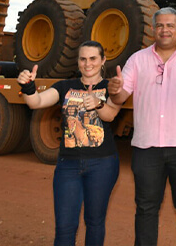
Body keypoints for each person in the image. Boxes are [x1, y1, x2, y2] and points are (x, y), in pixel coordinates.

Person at [107, 7, 176, 246]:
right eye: (159, 26)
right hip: (147, 148)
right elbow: (119, 97)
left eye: (170, 26)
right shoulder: (137, 59)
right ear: (152, 30)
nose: (164, 30)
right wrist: (114, 91)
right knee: (146, 208)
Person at [17, 40, 122, 246]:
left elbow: (110, 115)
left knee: (94, 222)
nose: (87, 63)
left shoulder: (111, 87)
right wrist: (28, 86)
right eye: (83, 59)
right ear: (78, 61)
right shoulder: (65, 86)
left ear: (103, 61)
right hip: (68, 165)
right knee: (64, 227)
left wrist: (98, 103)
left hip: (103, 164)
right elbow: (36, 102)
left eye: (93, 58)